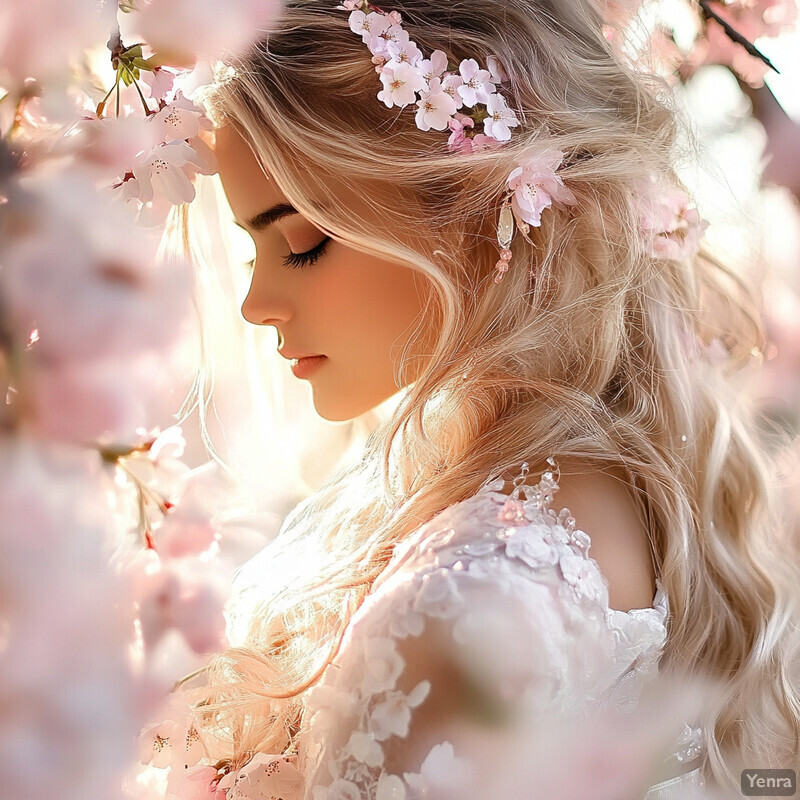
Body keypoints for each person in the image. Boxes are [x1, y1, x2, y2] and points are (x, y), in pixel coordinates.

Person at [174, 1, 800, 797]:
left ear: (477, 206)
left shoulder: (464, 606)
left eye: (300, 242)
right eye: (251, 246)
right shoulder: (622, 495)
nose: (255, 302)